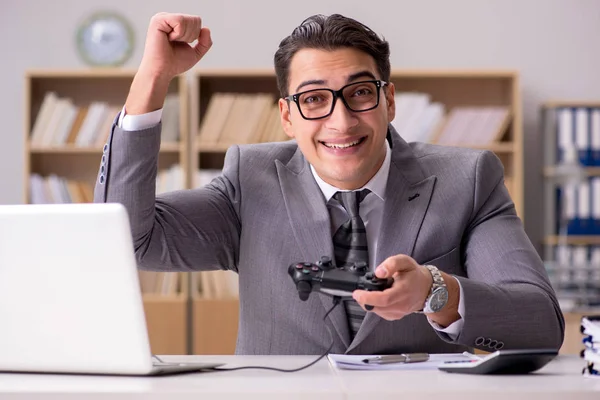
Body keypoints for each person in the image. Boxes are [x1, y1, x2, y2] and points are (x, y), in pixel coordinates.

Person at [94, 12, 564, 355]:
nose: (341, 121)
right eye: (315, 99)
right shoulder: (249, 181)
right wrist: (153, 78)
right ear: (286, 116)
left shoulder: (469, 180)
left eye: (360, 93)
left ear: (389, 101)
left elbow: (540, 324)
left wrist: (435, 292)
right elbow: (127, 239)